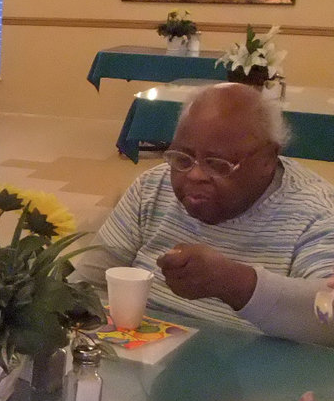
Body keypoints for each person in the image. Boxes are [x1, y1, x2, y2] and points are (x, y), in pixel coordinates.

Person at [75, 82, 334, 343]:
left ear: (268, 157)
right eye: (183, 158)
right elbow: (84, 285)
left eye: (217, 164)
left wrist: (235, 284)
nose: (195, 174)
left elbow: (329, 319)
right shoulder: (152, 187)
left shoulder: (315, 211)